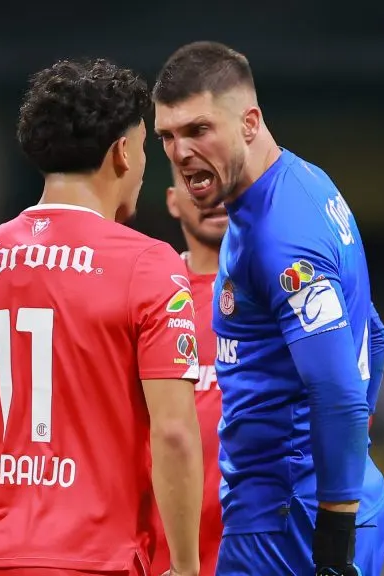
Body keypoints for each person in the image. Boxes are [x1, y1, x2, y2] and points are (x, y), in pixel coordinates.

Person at [0, 57, 204, 576]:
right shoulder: (147, 264)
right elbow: (176, 433)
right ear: (121, 152)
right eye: (142, 148)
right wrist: (185, 567)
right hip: (95, 560)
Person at [152, 41, 384, 576]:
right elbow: (374, 335)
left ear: (249, 121)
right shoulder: (307, 184)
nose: (180, 151)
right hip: (307, 504)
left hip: (287, 520)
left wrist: (332, 534)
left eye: (198, 129)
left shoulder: (279, 237)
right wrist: (351, 473)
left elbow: (338, 394)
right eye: (167, 136)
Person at [149, 167, 226, 576]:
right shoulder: (150, 296)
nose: (212, 195)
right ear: (171, 200)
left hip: (262, 549)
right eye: (195, 182)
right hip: (167, 560)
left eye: (222, 180)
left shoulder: (285, 293)